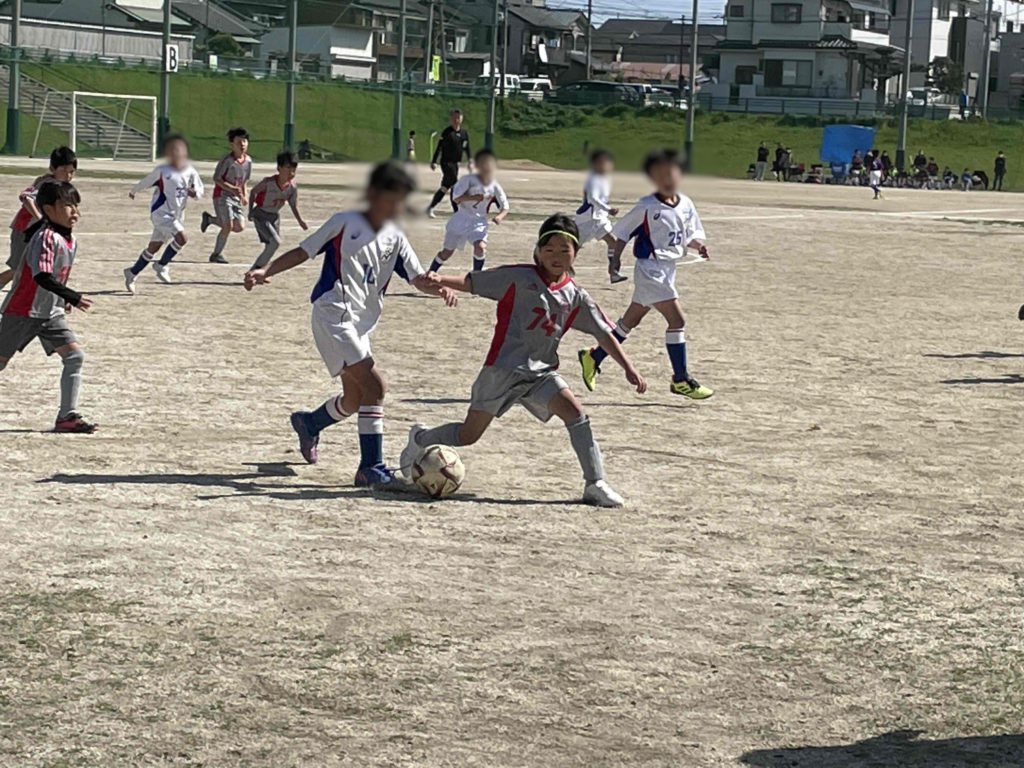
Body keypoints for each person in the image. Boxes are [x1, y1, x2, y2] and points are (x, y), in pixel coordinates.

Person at [401, 214, 647, 508]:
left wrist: (628, 367)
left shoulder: (576, 296)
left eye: (564, 249)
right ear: (538, 252)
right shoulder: (518, 278)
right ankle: (420, 438)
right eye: (549, 249)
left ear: (576, 252)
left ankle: (595, 483)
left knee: (575, 413)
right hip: (502, 370)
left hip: (540, 374)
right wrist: (440, 279)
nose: (556, 256)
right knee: (468, 435)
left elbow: (603, 333)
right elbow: (472, 282)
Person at [243, 161, 458, 488]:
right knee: (376, 386)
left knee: (356, 398)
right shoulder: (344, 223)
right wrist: (265, 270)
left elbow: (416, 278)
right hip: (333, 314)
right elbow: (303, 251)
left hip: (360, 325)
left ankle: (310, 423)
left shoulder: (396, 238)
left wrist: (438, 287)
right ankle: (370, 467)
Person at [578, 148, 713, 400]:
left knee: (629, 322)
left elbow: (686, 235)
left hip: (668, 270)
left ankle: (594, 356)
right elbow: (622, 233)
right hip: (651, 269)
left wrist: (698, 246)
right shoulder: (647, 206)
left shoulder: (686, 204)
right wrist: (615, 259)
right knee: (677, 321)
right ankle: (680, 379)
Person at [0, 181, 96, 433]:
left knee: (74, 357)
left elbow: (57, 275)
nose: (75, 211)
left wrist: (61, 299)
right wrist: (71, 296)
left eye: (76, 205)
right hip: (23, 311)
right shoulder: (45, 237)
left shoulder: (70, 239)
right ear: (48, 209)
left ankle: (66, 417)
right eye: (67, 205)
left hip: (50, 313)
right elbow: (42, 275)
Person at [123, 133, 204, 293]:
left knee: (154, 247)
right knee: (182, 238)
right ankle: (161, 265)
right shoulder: (162, 170)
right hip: (161, 213)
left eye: (180, 149)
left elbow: (199, 189)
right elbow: (147, 181)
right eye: (172, 149)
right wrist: (134, 190)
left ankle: (132, 272)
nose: (177, 152)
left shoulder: (190, 170)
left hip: (177, 215)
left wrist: (195, 193)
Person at [0, 146, 77, 291]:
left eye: (71, 172)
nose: (68, 176)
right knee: (19, 267)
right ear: (52, 169)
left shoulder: (62, 186)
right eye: (64, 171)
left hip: (38, 232)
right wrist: (41, 218)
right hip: (24, 229)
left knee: (33, 266)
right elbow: (26, 197)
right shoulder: (46, 183)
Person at [429, 148, 508, 273]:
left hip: (479, 221)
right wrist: (473, 197)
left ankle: (476, 276)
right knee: (447, 252)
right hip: (461, 218)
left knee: (480, 248)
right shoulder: (468, 180)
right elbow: (456, 198)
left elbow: (505, 206)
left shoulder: (494, 185)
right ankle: (431, 272)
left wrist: (500, 216)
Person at [247, 150, 308, 271]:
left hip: (274, 217)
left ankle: (259, 271)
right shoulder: (268, 183)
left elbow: (293, 205)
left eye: (294, 169)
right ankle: (255, 270)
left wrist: (300, 221)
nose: (291, 172)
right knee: (275, 242)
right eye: (288, 168)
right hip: (261, 214)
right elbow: (253, 192)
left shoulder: (292, 187)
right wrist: (250, 211)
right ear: (279, 168)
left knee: (271, 245)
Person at [201, 127, 252, 263]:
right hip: (222, 196)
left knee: (239, 227)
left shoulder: (248, 161)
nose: (242, 144)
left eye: (244, 141)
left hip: (236, 197)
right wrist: (231, 188)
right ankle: (216, 254)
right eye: (238, 142)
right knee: (227, 226)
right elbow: (217, 179)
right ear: (231, 144)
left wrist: (244, 195)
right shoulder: (227, 160)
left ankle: (210, 220)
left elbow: (244, 180)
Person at [574, 148, 624, 283]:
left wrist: (606, 211)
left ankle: (613, 272)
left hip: (600, 219)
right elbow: (592, 199)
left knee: (613, 242)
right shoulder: (593, 179)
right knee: (573, 247)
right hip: (588, 220)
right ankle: (562, 269)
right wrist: (609, 209)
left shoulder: (603, 179)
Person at [426, 109, 472, 217]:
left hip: (456, 164)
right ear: (450, 119)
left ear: (461, 118)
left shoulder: (464, 133)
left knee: (445, 187)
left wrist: (470, 160)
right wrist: (434, 161)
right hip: (446, 163)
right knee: (455, 184)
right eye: (454, 117)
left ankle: (430, 208)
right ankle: (457, 212)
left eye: (458, 117)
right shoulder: (447, 132)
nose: (456, 120)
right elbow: (439, 147)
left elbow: (466, 147)